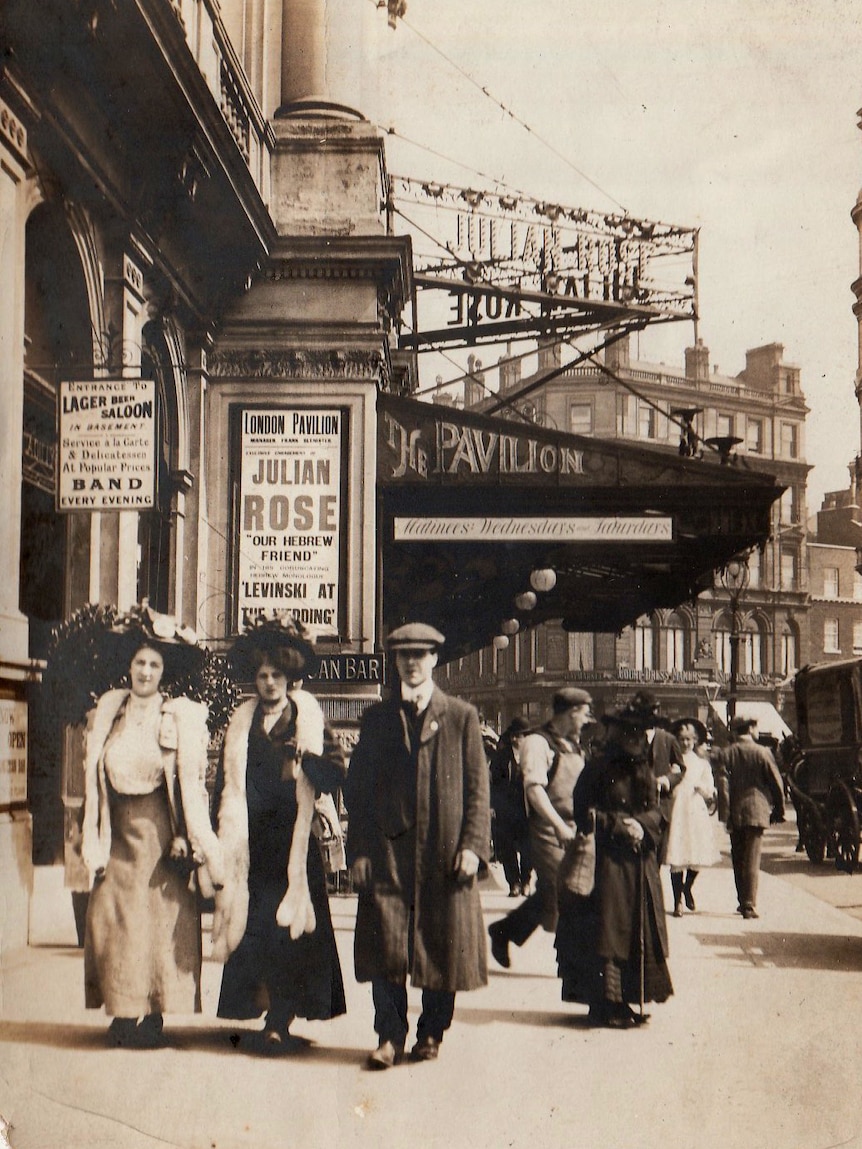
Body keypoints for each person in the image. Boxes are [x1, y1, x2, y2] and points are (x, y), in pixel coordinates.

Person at [344, 623, 489, 1070]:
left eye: (420, 655)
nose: (411, 663)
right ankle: (389, 1036)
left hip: (443, 850)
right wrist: (361, 852)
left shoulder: (461, 716)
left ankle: (431, 1033)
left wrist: (472, 846)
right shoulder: (378, 719)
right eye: (403, 655)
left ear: (434, 660)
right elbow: (359, 792)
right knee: (385, 943)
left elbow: (477, 789)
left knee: (442, 944)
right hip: (389, 850)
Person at [81, 608, 222, 1048]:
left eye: (155, 665)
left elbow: (190, 783)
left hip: (162, 835)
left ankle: (156, 1011)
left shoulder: (177, 716)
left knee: (159, 922)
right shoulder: (110, 711)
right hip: (118, 831)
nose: (146, 671)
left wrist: (189, 836)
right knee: (113, 917)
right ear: (128, 666)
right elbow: (94, 776)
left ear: (164, 672)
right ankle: (123, 1011)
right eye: (140, 663)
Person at [210, 617, 347, 1051]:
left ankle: (282, 1016)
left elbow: (336, 771)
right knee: (256, 928)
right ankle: (264, 1008)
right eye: (262, 676)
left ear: (290, 677)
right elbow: (225, 781)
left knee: (291, 934)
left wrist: (308, 759)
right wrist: (221, 832)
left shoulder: (306, 717)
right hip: (252, 842)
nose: (269, 683)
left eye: (276, 675)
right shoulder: (241, 722)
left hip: (293, 841)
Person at [555, 701, 673, 1028]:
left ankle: (627, 1002)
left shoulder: (644, 768)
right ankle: (606, 1004)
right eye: (630, 732)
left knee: (636, 928)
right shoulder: (597, 768)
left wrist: (643, 825)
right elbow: (583, 812)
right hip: (608, 863)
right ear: (618, 734)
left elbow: (658, 809)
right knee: (608, 930)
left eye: (641, 733)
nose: (637, 739)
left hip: (639, 861)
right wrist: (620, 826)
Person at [488, 688, 593, 970]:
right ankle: (573, 967)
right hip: (546, 829)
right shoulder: (537, 743)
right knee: (566, 893)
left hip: (573, 827)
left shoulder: (573, 744)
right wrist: (557, 825)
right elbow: (534, 790)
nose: (586, 719)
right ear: (571, 712)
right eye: (584, 713)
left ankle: (504, 931)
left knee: (558, 892)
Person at [714, 715, 785, 919]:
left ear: (736, 731)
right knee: (753, 858)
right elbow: (776, 782)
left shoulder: (726, 754)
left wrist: (725, 815)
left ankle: (741, 901)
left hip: (735, 811)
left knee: (738, 857)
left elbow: (723, 787)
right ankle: (749, 904)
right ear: (751, 728)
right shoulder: (763, 752)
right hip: (757, 809)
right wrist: (778, 809)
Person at [664, 718, 720, 916]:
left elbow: (710, 788)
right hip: (677, 807)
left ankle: (688, 887)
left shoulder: (701, 763)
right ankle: (677, 900)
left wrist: (702, 788)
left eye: (689, 739)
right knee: (677, 855)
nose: (685, 743)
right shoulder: (672, 761)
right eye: (681, 739)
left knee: (697, 854)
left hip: (695, 808)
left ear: (695, 740)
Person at [489, 716, 532, 897]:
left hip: (527, 809)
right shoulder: (501, 757)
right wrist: (493, 806)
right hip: (506, 809)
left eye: (520, 736)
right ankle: (513, 883)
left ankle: (527, 881)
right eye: (514, 735)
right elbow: (493, 784)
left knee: (528, 847)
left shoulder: (531, 757)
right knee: (507, 848)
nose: (516, 739)